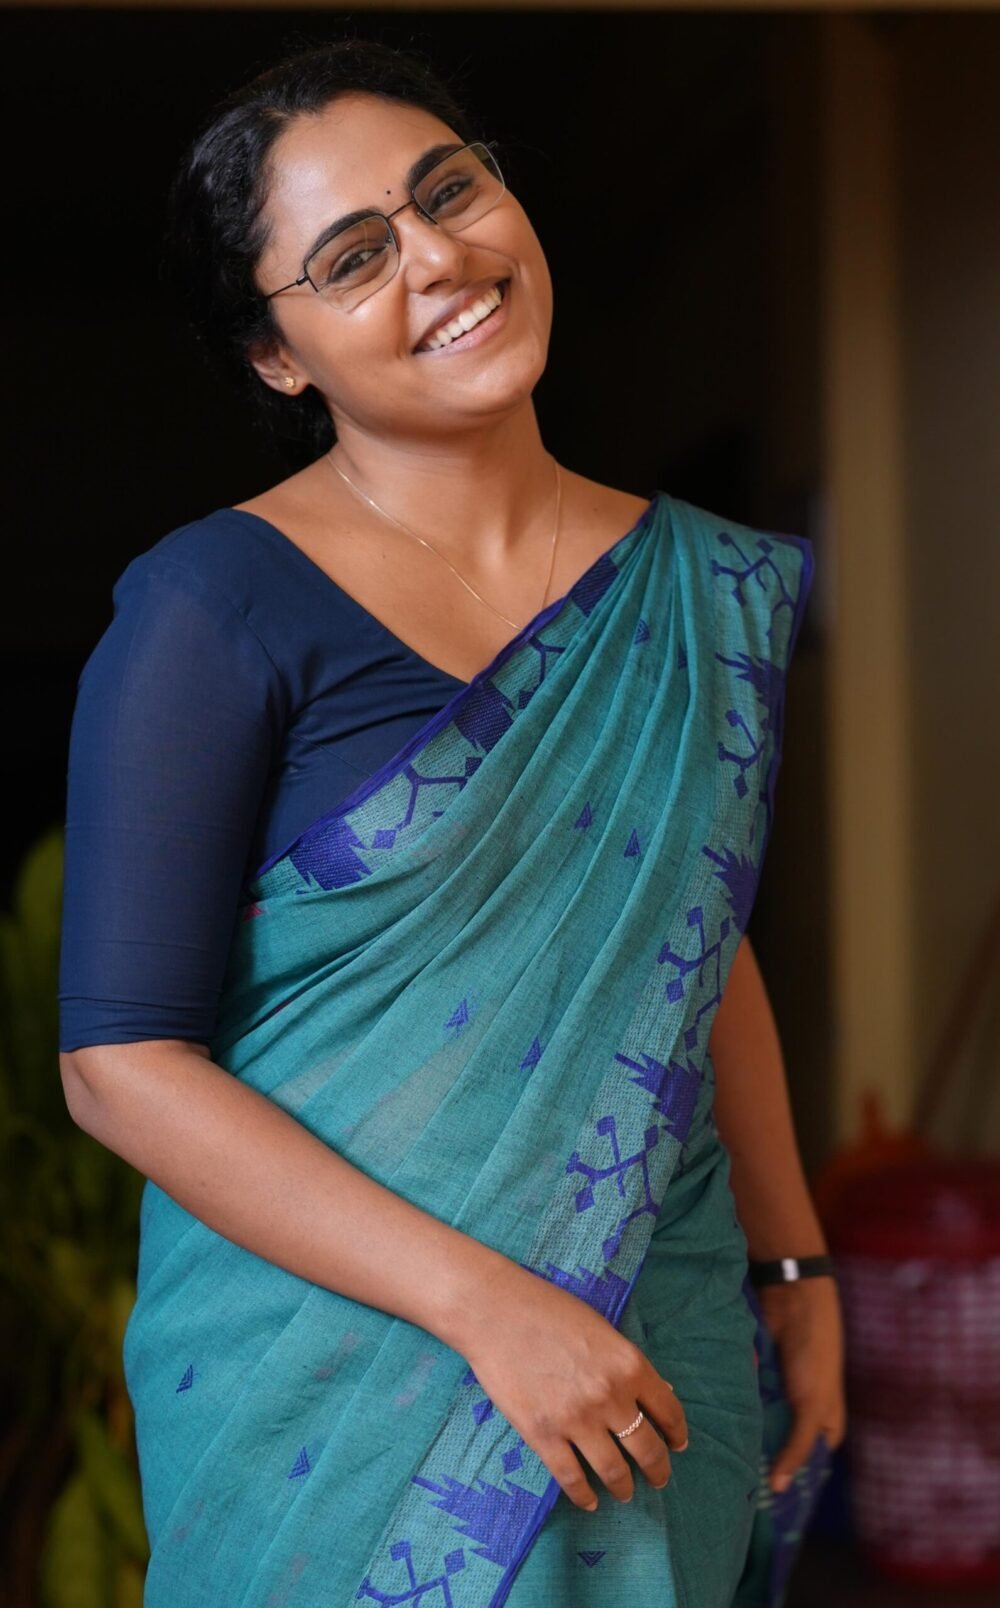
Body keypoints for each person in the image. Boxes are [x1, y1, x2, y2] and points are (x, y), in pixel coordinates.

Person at [57, 37, 845, 1608]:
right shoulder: (214, 607)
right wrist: (489, 1308)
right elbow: (120, 1066)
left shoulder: (688, 589)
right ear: (278, 357)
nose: (436, 259)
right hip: (341, 1370)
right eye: (354, 256)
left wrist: (795, 1254)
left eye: (451, 192)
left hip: (651, 1317)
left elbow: (690, 938)